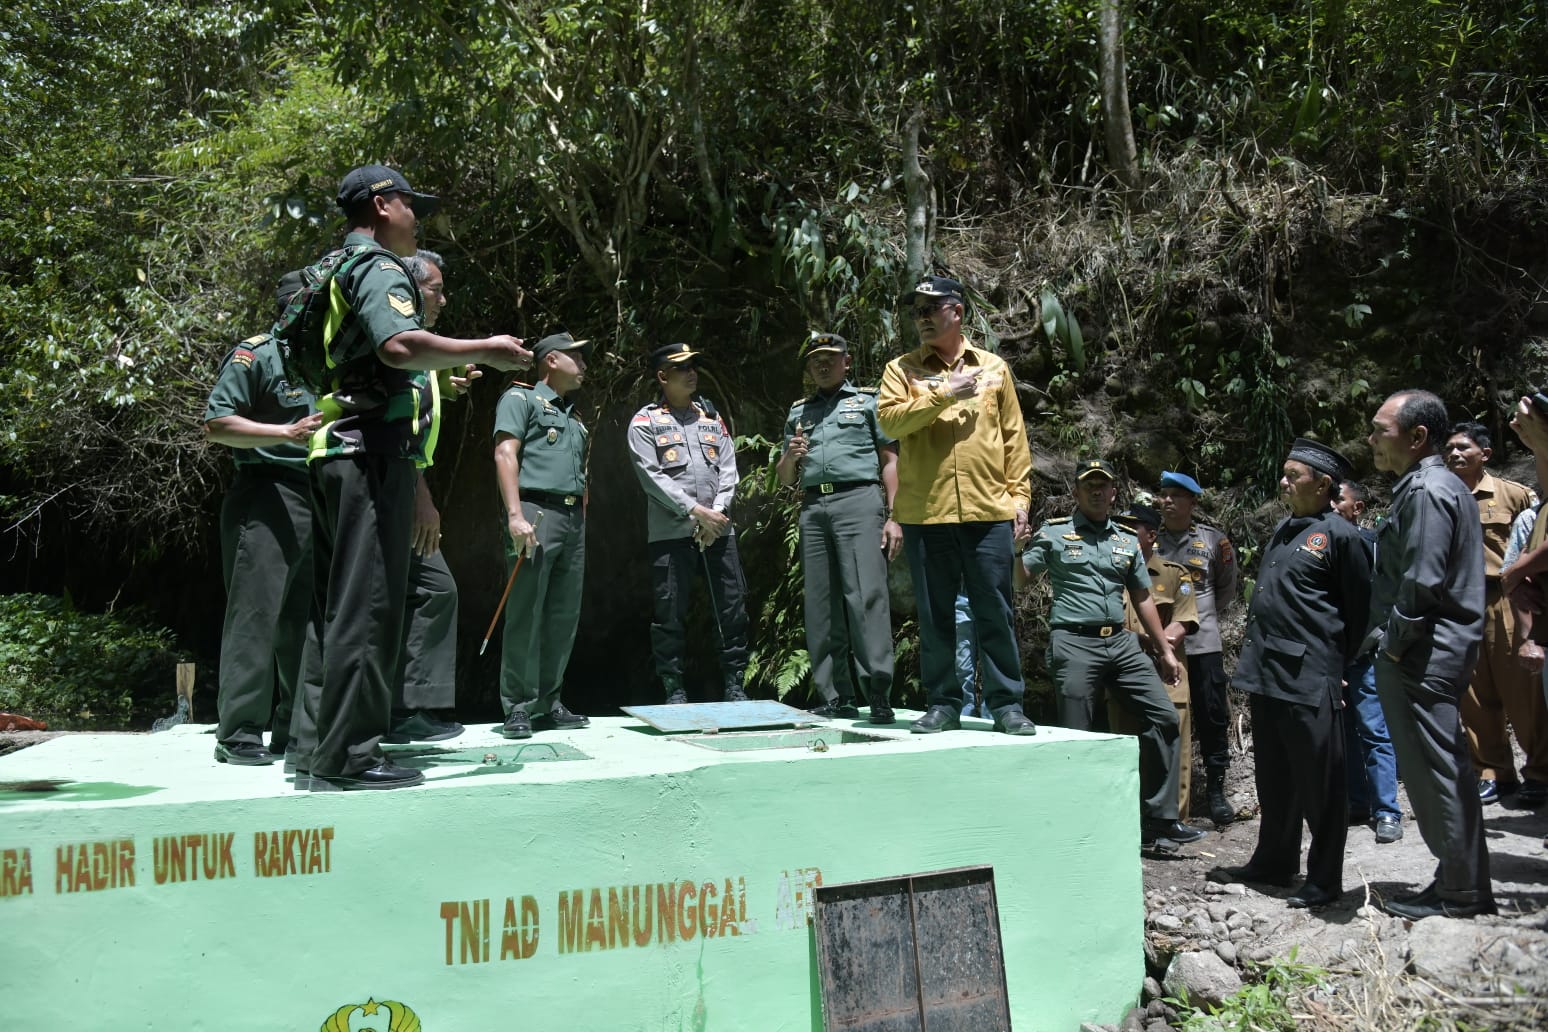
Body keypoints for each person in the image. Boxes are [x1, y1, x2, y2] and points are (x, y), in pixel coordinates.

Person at [306, 164, 532, 791]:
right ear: (382, 206)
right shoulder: (379, 268)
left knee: (343, 606)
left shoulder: (334, 266)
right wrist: (485, 346)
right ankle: (348, 758)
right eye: (412, 205)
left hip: (343, 449)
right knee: (369, 606)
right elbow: (399, 347)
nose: (417, 217)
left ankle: (317, 747)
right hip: (369, 453)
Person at [1208, 439, 1372, 908]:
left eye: (1293, 474)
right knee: (1275, 776)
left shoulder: (1341, 535)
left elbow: (1360, 610)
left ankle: (1324, 880)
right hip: (1266, 672)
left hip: (1309, 674)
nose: (1283, 481)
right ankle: (1275, 861)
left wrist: (1337, 663)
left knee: (1321, 781)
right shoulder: (1285, 527)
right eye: (1284, 472)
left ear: (1323, 485)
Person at [878, 276, 1036, 736]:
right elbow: (889, 420)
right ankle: (944, 703)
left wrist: (1020, 498)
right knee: (936, 614)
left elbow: (1014, 439)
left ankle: (1007, 705)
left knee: (995, 610)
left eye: (931, 308)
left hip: (990, 510)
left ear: (957, 312)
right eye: (917, 311)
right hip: (927, 512)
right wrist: (946, 392)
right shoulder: (900, 370)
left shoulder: (994, 368)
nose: (922, 318)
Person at [1017, 459, 1197, 848]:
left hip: (1120, 641)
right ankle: (1074, 826)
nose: (1097, 492)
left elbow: (1143, 597)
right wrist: (1016, 550)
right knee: (1075, 735)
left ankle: (1159, 819)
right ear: (1078, 493)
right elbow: (1019, 580)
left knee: (1165, 718)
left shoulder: (1126, 540)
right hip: (1074, 641)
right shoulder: (1056, 534)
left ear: (1115, 492)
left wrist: (1165, 651)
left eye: (1104, 486)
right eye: (1089, 486)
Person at [1366, 389, 1493, 918]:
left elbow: (1421, 583)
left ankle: (1461, 893)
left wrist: (1392, 648)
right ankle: (1456, 879)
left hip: (1422, 656)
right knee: (1439, 767)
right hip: (1432, 652)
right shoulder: (1436, 486)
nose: (1371, 439)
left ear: (1417, 438)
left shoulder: (1425, 490)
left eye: (1380, 430)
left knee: (1435, 770)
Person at [203, 271, 321, 766]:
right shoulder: (255, 355)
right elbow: (217, 422)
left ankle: (294, 729)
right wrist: (282, 432)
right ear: (292, 307)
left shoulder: (323, 362)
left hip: (316, 497)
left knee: (304, 620)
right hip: (265, 494)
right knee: (256, 615)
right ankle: (240, 733)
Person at [775, 332, 902, 723]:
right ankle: (836, 694)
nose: (823, 364)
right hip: (813, 507)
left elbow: (890, 460)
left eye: (831, 357)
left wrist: (894, 515)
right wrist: (790, 458)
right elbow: (783, 479)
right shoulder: (799, 412)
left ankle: (878, 692)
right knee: (821, 603)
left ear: (847, 362)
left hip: (858, 502)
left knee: (865, 595)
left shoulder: (867, 402)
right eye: (815, 360)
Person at [627, 344, 750, 704]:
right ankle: (673, 688)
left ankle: (734, 684)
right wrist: (698, 512)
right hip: (671, 534)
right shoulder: (645, 422)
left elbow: (729, 469)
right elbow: (651, 478)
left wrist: (718, 512)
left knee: (732, 606)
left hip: (718, 531)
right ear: (662, 377)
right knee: (669, 612)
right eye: (681, 368)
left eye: (694, 365)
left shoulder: (712, 418)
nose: (691, 372)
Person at [388, 249, 471, 744]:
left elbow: (418, 403)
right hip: (397, 484)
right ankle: (399, 712)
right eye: (437, 289)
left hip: (405, 481)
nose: (444, 298)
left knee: (424, 591)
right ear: (413, 289)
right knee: (424, 590)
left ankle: (407, 710)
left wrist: (448, 388)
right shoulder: (398, 343)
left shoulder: (417, 353)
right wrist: (421, 494)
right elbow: (398, 428)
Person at [493, 332, 593, 737]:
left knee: (563, 613)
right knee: (526, 611)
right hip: (535, 512)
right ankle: (518, 704)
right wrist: (515, 515)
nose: (584, 365)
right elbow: (505, 453)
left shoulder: (574, 414)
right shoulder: (521, 400)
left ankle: (549, 701)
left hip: (571, 518)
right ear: (551, 360)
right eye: (576, 358)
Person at [1443, 421, 1547, 806]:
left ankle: (1539, 771)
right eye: (1449, 448)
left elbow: (1533, 538)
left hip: (1505, 598)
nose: (1454, 454)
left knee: (1523, 690)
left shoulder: (1513, 494)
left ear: (1484, 454)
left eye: (1463, 447)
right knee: (1473, 692)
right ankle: (1493, 772)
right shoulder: (1441, 497)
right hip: (1459, 604)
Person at [1154, 470, 1239, 824]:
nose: (1167, 501)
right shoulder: (1148, 540)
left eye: (1176, 495)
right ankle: (1164, 790)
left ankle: (1216, 790)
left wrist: (1197, 619)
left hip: (1203, 645)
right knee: (1165, 715)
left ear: (1193, 502)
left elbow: (1226, 590)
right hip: (1160, 645)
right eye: (1164, 494)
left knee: (1211, 715)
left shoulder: (1213, 541)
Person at [1111, 503, 1198, 818]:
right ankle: (1129, 823)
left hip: (1166, 673)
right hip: (1121, 672)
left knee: (1176, 749)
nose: (1121, 535)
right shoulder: (1109, 574)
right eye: (1117, 528)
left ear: (1151, 535)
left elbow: (1183, 622)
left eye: (1129, 529)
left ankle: (1174, 820)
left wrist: (1156, 641)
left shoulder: (1175, 575)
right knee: (1126, 746)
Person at [1333, 480, 1403, 843]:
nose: (1331, 506)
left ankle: (1388, 811)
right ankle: (1357, 802)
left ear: (1357, 508)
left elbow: (1389, 594)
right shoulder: (1322, 545)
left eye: (1338, 500)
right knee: (1344, 733)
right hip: (1332, 656)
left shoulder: (1374, 546)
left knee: (1374, 730)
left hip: (1366, 652)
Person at [956, 594, 987, 718]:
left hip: (989, 592)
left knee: (994, 666)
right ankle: (963, 716)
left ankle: (992, 716)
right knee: (961, 666)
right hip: (958, 593)